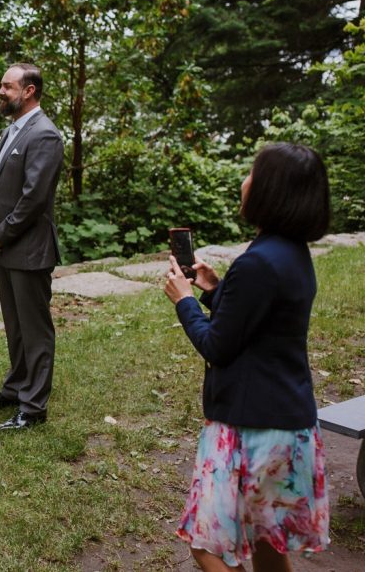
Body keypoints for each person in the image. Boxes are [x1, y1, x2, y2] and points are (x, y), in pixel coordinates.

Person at [163, 143, 331, 572]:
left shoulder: (257, 262)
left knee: (206, 548)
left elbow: (218, 346)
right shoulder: (292, 252)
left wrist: (185, 301)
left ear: (272, 190)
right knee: (267, 546)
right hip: (289, 423)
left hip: (251, 429)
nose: (245, 181)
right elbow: (259, 324)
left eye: (253, 173)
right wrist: (216, 290)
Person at [0, 63, 64, 431]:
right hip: (5, 246)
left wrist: (1, 233)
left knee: (35, 330)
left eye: (7, 86)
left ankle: (33, 407)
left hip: (29, 249)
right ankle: (14, 388)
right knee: (15, 326)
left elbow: (33, 199)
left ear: (28, 91)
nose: (0, 91)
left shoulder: (45, 135)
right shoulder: (12, 131)